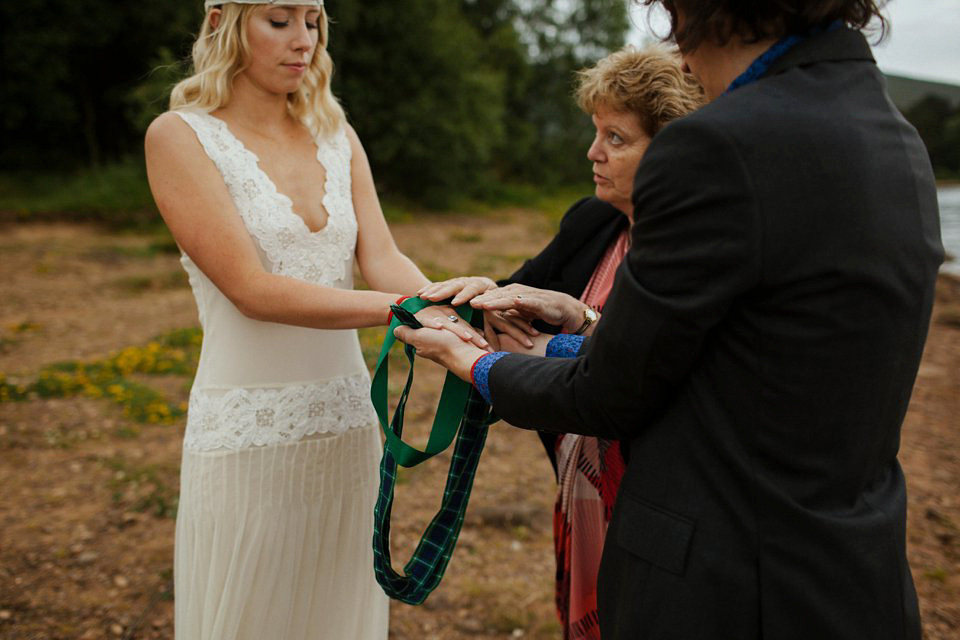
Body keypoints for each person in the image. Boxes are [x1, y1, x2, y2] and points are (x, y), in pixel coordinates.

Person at [396, 0, 944, 638]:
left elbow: (608, 395)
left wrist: (475, 362)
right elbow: (757, 354)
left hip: (724, 587)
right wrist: (586, 321)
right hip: (850, 575)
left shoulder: (719, 143)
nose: (679, 51)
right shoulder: (893, 135)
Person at [143, 2, 488, 638]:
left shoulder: (337, 134)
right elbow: (253, 291)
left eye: (313, 21)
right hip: (249, 431)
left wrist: (460, 306)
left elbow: (381, 257)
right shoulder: (179, 136)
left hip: (347, 423)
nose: (303, 41)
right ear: (223, 21)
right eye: (280, 20)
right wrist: (407, 311)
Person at [419, 46, 704, 640]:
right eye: (596, 132)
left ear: (675, 150)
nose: (592, 152)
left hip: (660, 506)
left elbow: (649, 366)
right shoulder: (593, 221)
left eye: (617, 138)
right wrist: (474, 298)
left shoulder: (697, 251)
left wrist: (557, 338)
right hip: (580, 491)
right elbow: (520, 300)